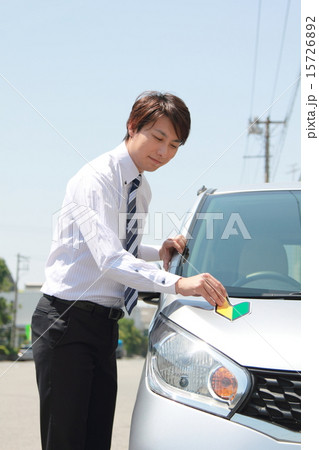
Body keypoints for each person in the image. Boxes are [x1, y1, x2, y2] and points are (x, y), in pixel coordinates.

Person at [31, 91, 227, 450]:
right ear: (132, 126)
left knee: (96, 440)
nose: (165, 152)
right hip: (67, 322)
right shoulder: (96, 179)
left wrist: (159, 251)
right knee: (66, 441)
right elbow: (110, 259)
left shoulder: (142, 188)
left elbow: (121, 248)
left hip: (104, 326)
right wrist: (179, 284)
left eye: (175, 145)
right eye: (158, 138)